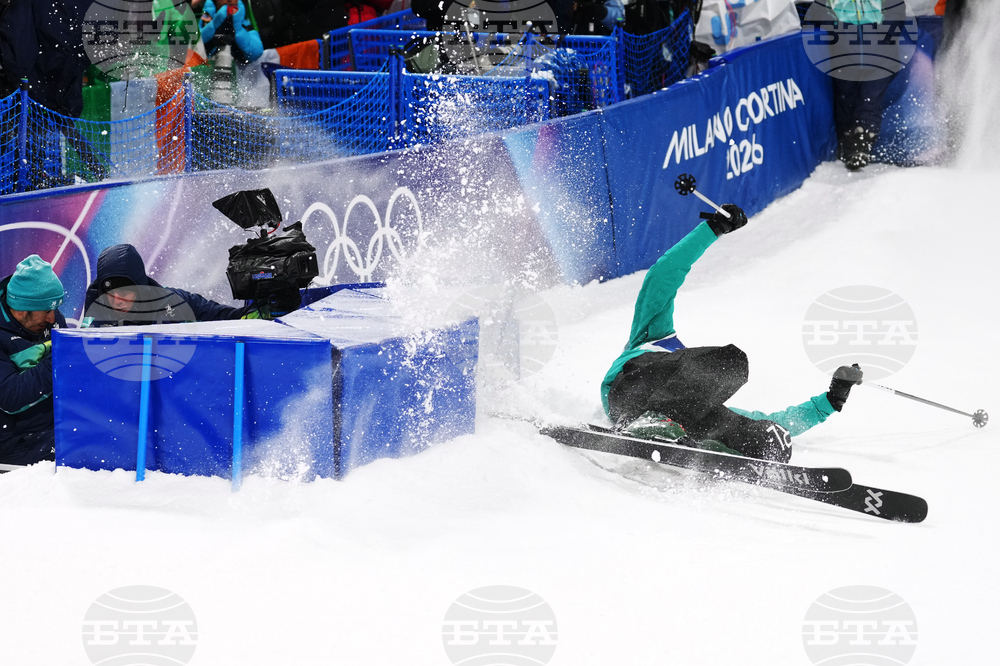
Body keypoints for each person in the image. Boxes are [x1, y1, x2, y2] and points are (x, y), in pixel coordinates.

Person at [602, 204, 864, 462]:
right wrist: (713, 228)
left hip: (672, 418)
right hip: (629, 390)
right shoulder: (652, 335)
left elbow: (767, 419)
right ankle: (655, 420)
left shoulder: (692, 393)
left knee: (770, 436)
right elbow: (664, 274)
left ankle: (717, 449)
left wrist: (832, 400)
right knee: (731, 361)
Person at [82, 244, 271, 327]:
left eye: (125, 293)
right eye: (110, 294)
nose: (117, 300)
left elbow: (229, 318)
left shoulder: (174, 302)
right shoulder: (93, 325)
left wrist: (270, 305)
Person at [0, 255, 67, 465]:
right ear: (21, 310)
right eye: (46, 311)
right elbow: (9, 397)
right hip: (12, 442)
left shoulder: (50, 320)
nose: (53, 318)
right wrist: (58, 361)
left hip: (52, 427)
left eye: (54, 309)